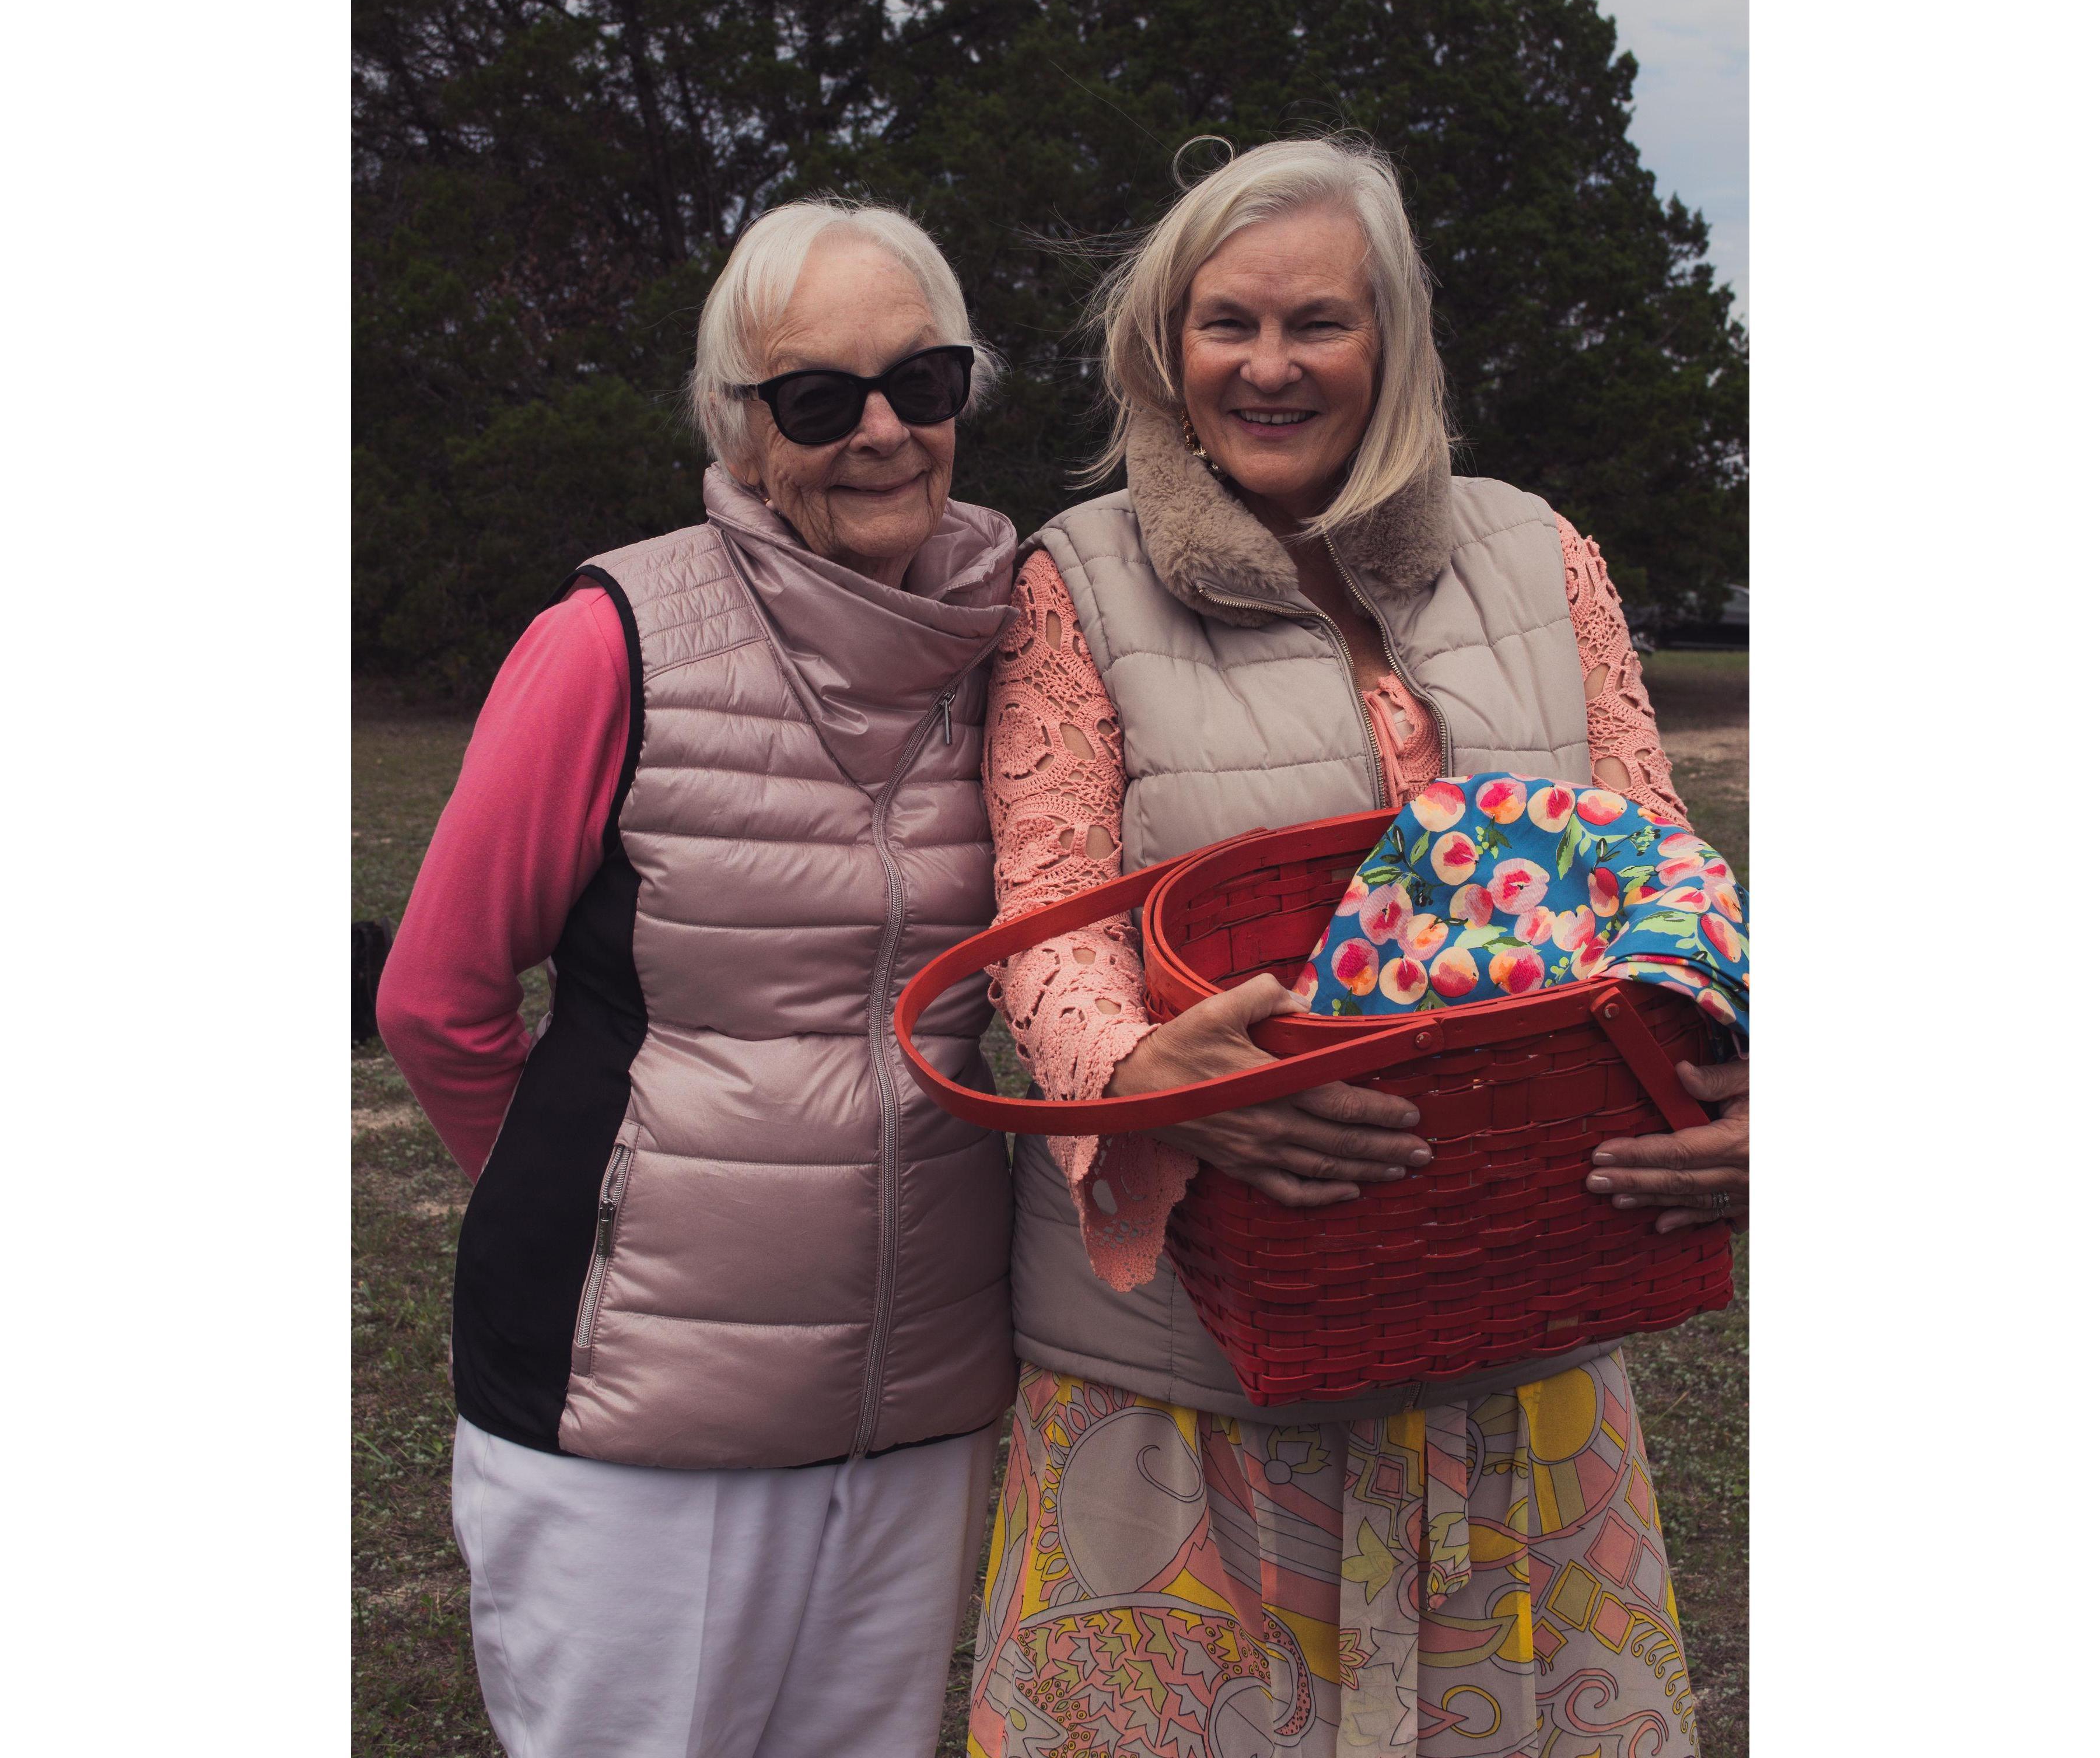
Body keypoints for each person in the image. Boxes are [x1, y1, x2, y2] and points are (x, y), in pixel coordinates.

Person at [968, 138, 1749, 1757]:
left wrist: (1751, 1073)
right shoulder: (1084, 579)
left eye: (1315, 322)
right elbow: (1040, 914)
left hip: (1514, 1322)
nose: (1266, 367)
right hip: (1197, 1357)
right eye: (1224, 324)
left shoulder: (1542, 552)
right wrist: (1143, 1082)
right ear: (1163, 347)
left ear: (1391, 340)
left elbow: (1665, 860)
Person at [376, 198, 1020, 1758]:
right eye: (817, 398)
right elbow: (439, 997)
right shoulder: (613, 638)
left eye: (919, 385)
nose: (879, 433)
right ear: (737, 426)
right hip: (631, 1423)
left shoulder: (1020, 636)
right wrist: (603, 1205)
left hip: (916, 1406)